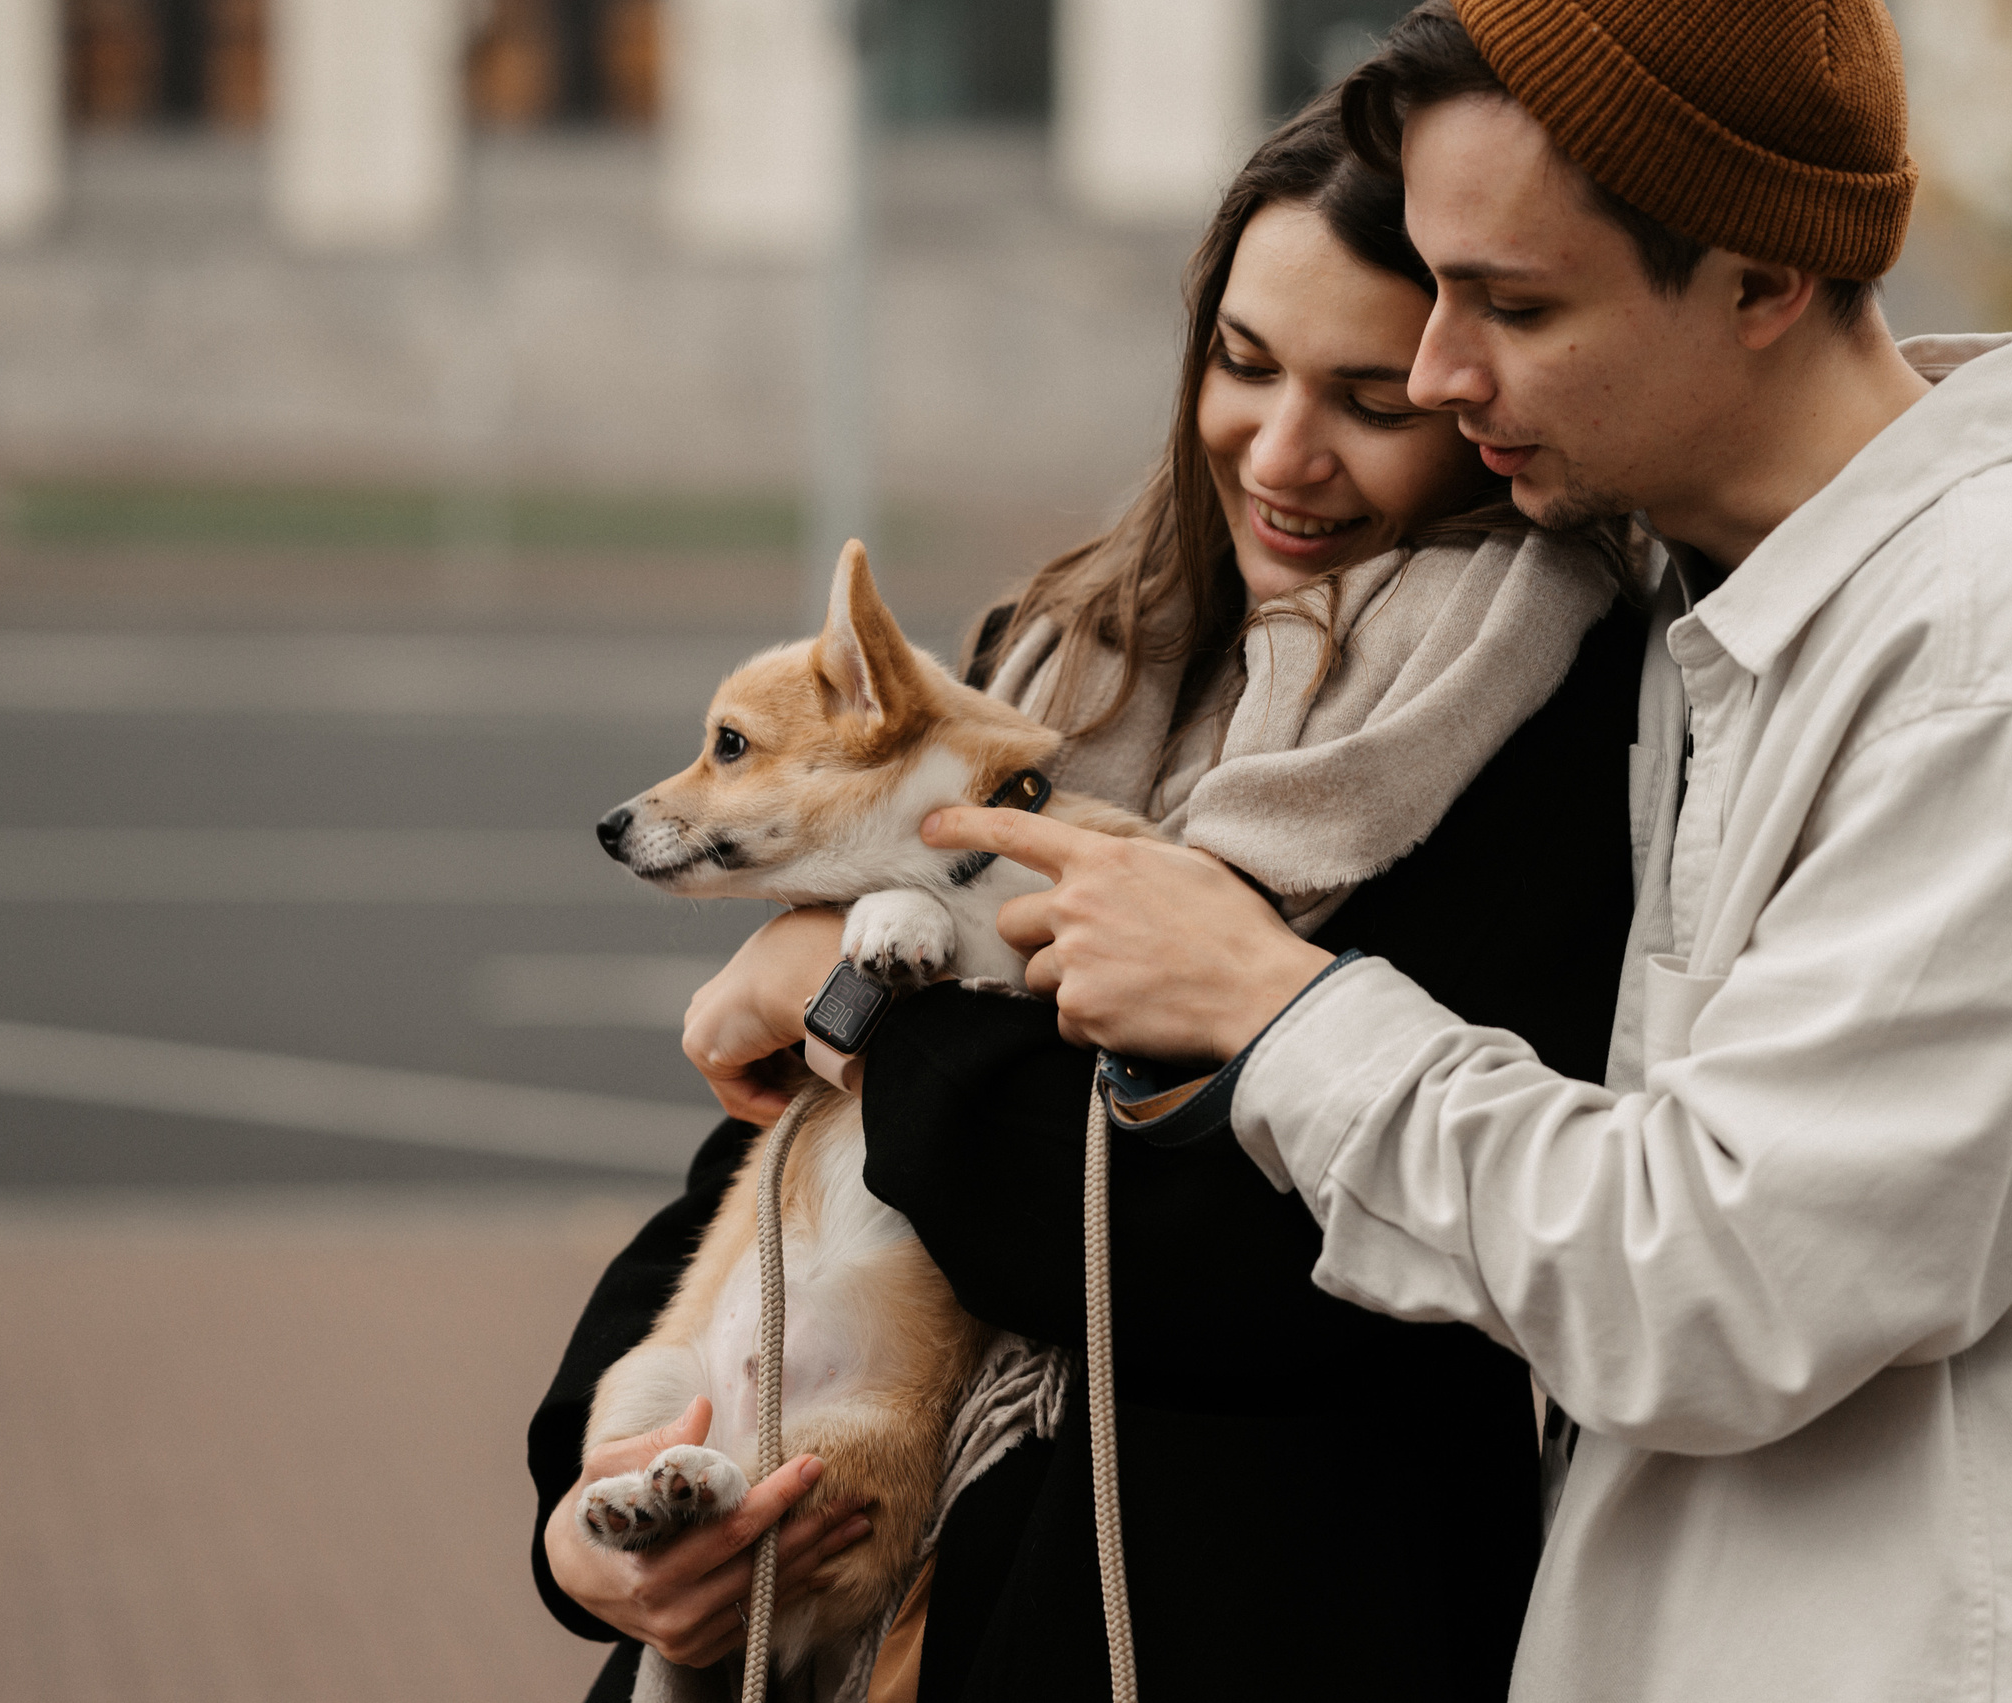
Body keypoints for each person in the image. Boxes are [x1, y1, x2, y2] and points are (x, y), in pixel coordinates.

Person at [918, 3, 2012, 1699]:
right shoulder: (1731, 594)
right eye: (1444, 290)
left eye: (1517, 306)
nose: (1448, 371)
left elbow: (1725, 1284)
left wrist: (1275, 1007)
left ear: (1761, 281)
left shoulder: (1996, 645)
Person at [528, 96, 1651, 1702]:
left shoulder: (1547, 726)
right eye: (1245, 363)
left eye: (1368, 398)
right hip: (864, 1611)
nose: (1279, 452)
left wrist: (844, 1008)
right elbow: (771, 1167)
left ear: (1474, 402)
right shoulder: (1064, 654)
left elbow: (1248, 1265)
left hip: (1238, 1627)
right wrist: (586, 1533)